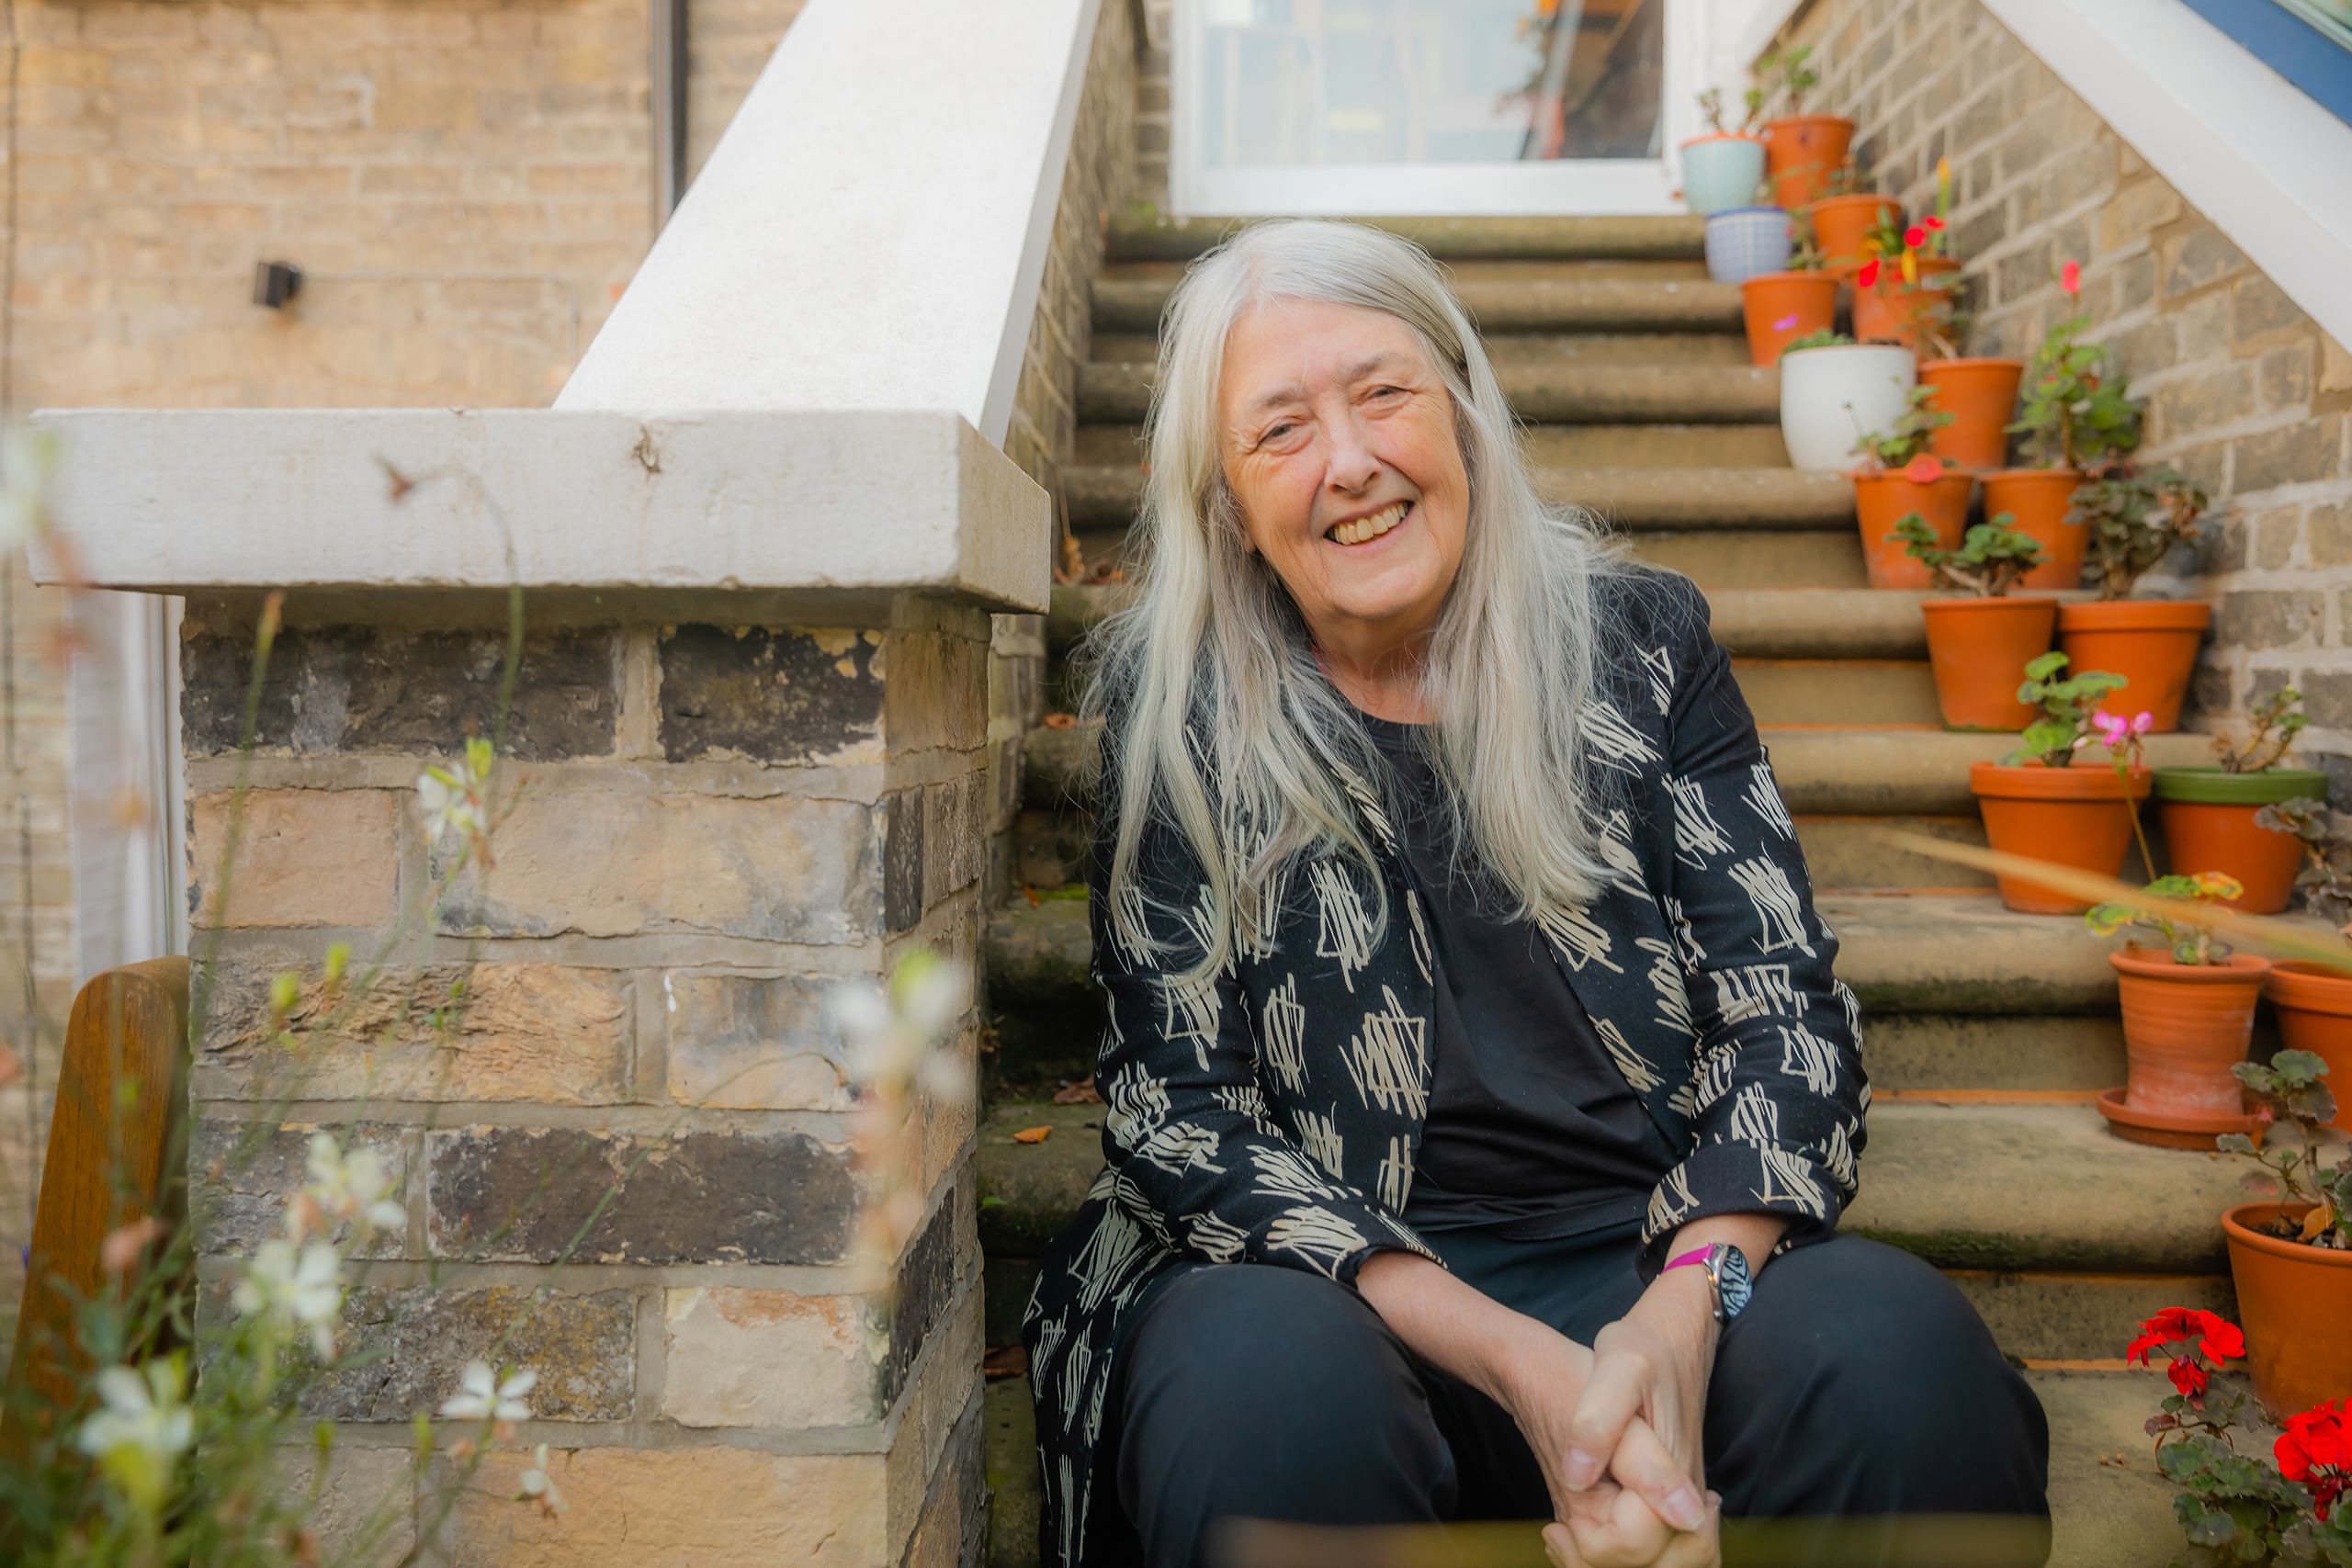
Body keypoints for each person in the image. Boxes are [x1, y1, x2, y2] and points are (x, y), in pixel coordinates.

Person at [1020, 218, 2050, 1568]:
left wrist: (1678, 1318)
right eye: (1280, 431)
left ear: (1461, 405)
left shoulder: (1641, 645)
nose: (1352, 462)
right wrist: (1509, 1355)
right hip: (1331, 1279)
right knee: (1260, 1401)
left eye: (1384, 392)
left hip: (1647, 1251)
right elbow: (1176, 1114)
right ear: (1229, 503)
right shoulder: (1180, 715)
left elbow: (1783, 1017)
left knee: (1897, 1360)